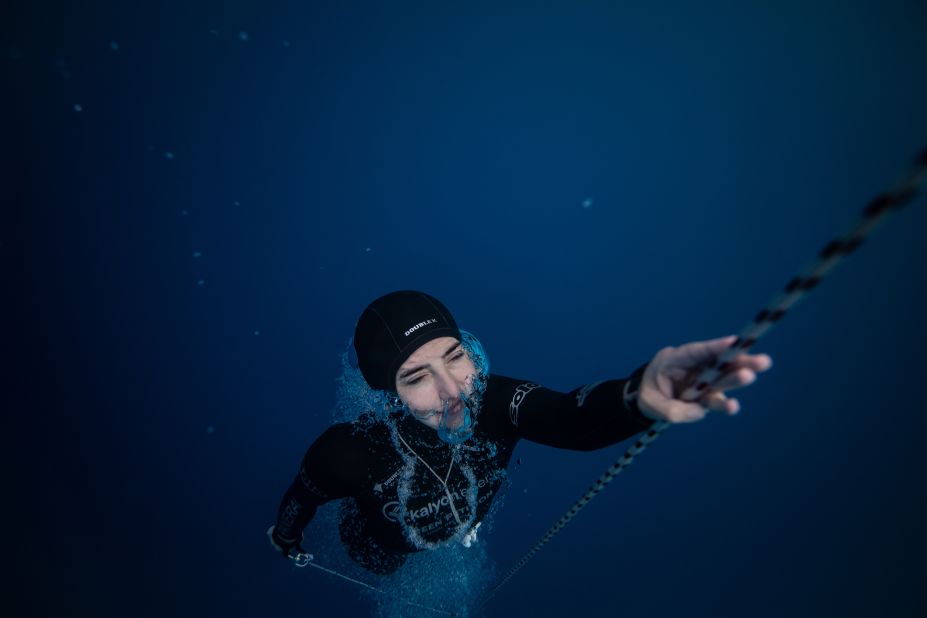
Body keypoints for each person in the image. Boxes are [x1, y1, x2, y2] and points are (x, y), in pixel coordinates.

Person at [267, 290, 772, 574]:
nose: (453, 391)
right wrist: (286, 539)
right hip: (382, 550)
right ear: (386, 393)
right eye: (416, 377)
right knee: (383, 566)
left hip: (463, 526)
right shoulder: (346, 453)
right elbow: (300, 499)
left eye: (454, 356)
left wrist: (638, 396)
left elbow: (570, 418)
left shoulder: (495, 402)